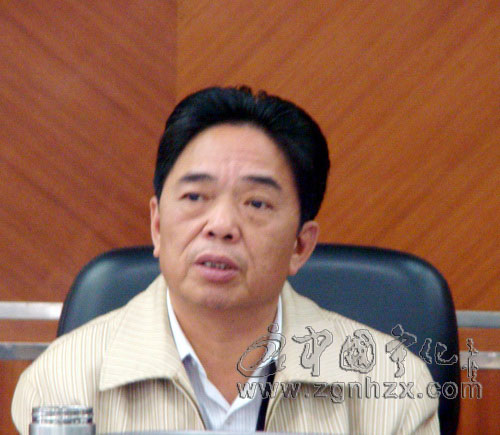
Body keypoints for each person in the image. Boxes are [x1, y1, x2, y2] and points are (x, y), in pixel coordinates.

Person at [12, 86, 439, 433]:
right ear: (157, 225)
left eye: (256, 203)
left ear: (300, 246)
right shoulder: (64, 380)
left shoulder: (391, 386)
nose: (221, 225)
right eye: (195, 196)